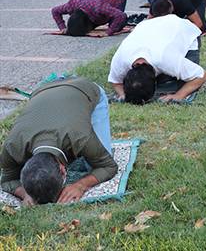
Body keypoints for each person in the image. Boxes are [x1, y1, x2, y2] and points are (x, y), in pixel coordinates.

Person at [0, 77, 118, 205]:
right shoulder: (12, 146)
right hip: (43, 90)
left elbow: (108, 166)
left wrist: (81, 185)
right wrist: (25, 193)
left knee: (91, 166)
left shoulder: (80, 137)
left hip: (83, 88)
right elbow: (6, 180)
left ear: (63, 169)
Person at [108, 14, 206, 104]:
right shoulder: (120, 60)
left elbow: (201, 75)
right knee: (166, 83)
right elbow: (116, 82)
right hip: (150, 26)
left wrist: (178, 96)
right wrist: (122, 94)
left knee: (181, 84)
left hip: (183, 29)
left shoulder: (166, 59)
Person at [51, 0, 127, 36]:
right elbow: (55, 10)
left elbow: (120, 15)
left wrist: (108, 32)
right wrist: (62, 28)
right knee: (102, 19)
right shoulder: (71, 6)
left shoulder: (99, 7)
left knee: (117, 25)